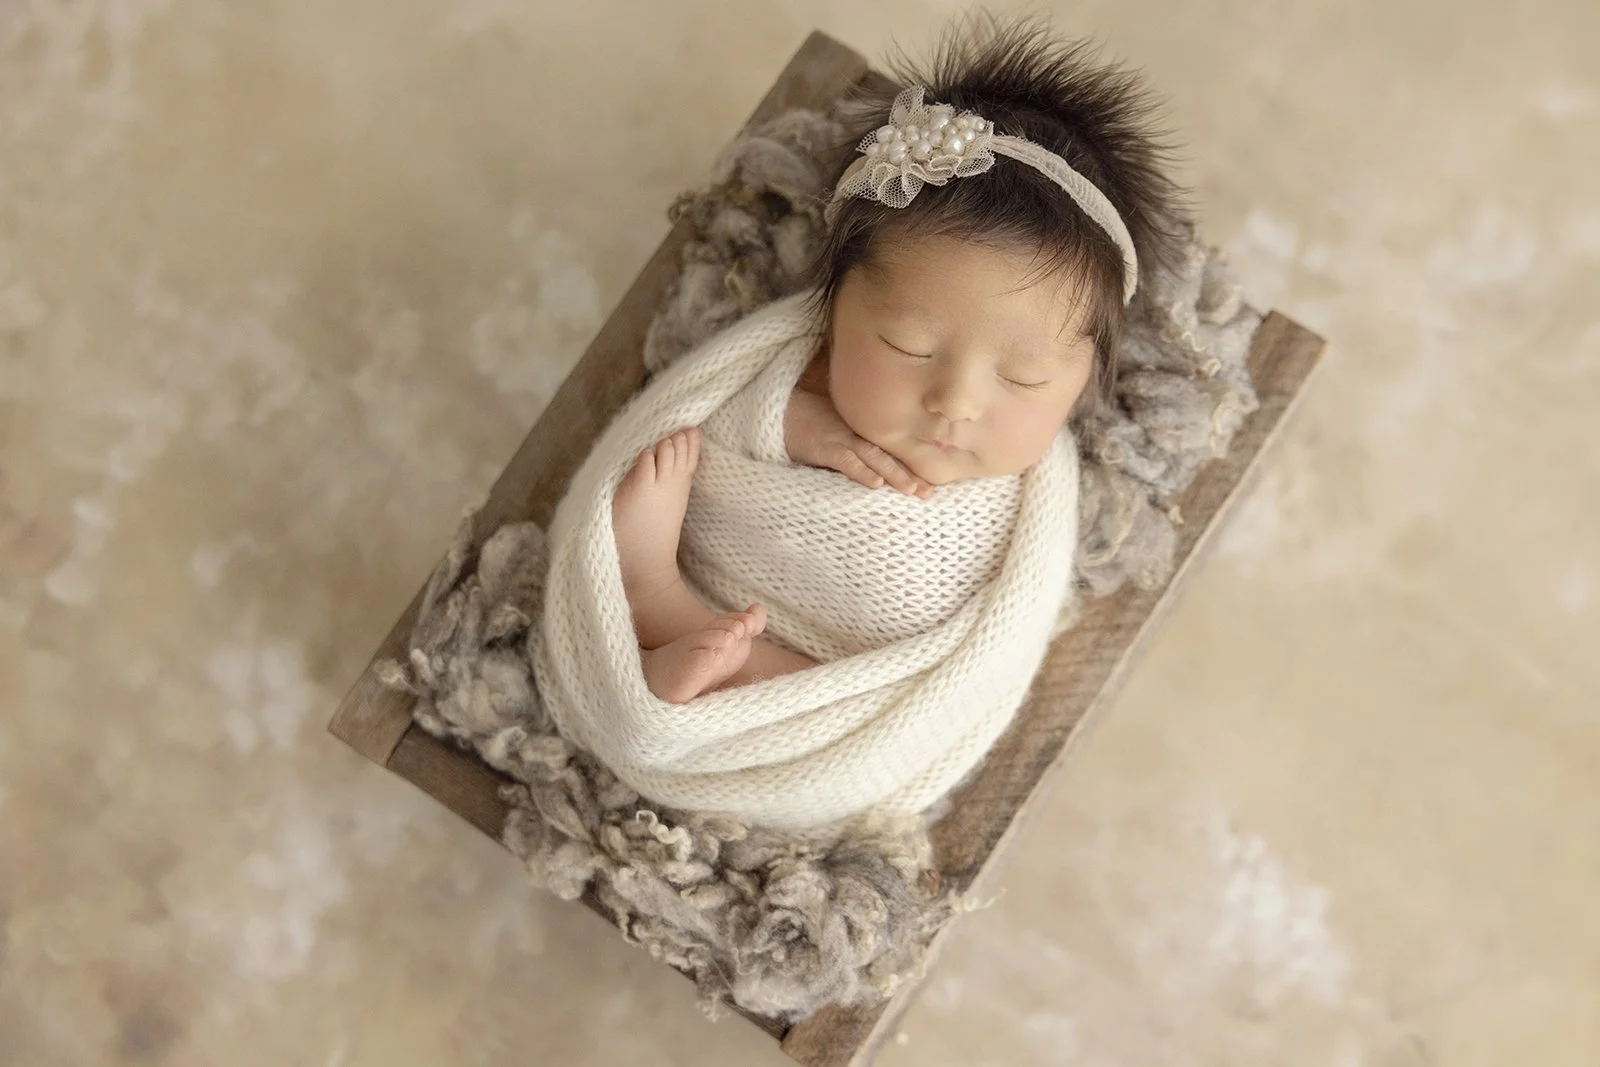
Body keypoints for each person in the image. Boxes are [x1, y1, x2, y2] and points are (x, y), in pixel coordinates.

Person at [608, 19, 1186, 705]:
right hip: (726, 579)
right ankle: (652, 594)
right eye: (909, 347)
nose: (956, 401)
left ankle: (677, 637)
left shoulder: (1037, 509)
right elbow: (700, 432)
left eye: (1023, 376)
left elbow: (986, 663)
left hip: (858, 687)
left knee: (851, 699)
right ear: (832, 316)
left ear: (1083, 381)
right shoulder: (800, 379)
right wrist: (791, 423)